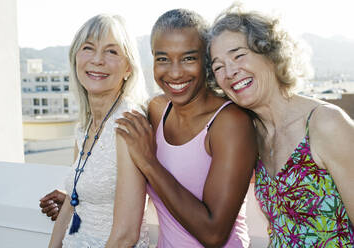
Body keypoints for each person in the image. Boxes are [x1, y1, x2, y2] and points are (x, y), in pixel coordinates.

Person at [208, 4, 354, 247]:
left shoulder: (326, 124)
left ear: (270, 53)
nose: (230, 71)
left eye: (238, 55)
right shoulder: (252, 135)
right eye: (218, 67)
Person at [116, 9, 257, 248]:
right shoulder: (157, 109)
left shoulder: (230, 122)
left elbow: (214, 234)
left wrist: (150, 163)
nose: (175, 72)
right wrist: (73, 196)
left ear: (207, 60)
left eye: (188, 58)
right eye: (163, 59)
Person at [47, 14, 149, 248]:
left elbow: (126, 235)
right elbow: (71, 205)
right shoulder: (83, 126)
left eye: (111, 52)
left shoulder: (128, 124)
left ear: (128, 68)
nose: (97, 60)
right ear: (75, 58)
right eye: (88, 48)